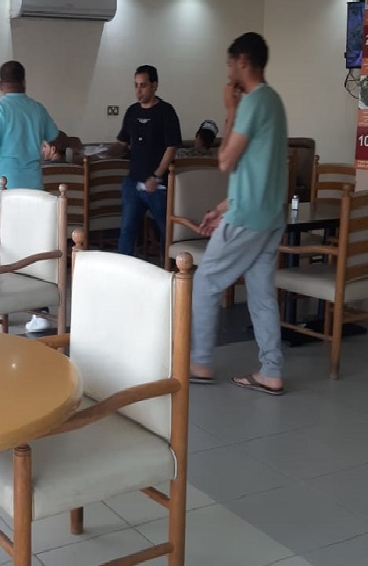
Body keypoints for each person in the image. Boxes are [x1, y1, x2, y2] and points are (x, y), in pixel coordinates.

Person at [189, 32, 289, 396]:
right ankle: (271, 371)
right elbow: (259, 168)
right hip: (270, 217)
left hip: (247, 218)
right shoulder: (274, 101)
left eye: (230, 63)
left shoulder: (252, 103)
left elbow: (225, 161)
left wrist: (230, 109)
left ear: (243, 62)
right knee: (261, 296)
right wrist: (221, 207)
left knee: (205, 283)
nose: (228, 71)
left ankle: (200, 362)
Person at [0, 60, 59, 330]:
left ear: (0, 84)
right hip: (33, 195)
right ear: (24, 81)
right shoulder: (37, 109)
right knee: (31, 255)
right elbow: (56, 138)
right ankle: (40, 314)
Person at [111, 65, 181, 256]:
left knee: (166, 230)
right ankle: (122, 268)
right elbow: (122, 142)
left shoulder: (166, 111)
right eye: (136, 85)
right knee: (127, 231)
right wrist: (104, 152)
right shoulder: (132, 111)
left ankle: (170, 268)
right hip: (133, 182)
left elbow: (172, 147)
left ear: (154, 85)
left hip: (156, 185)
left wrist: (157, 176)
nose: (138, 90)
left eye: (143, 85)